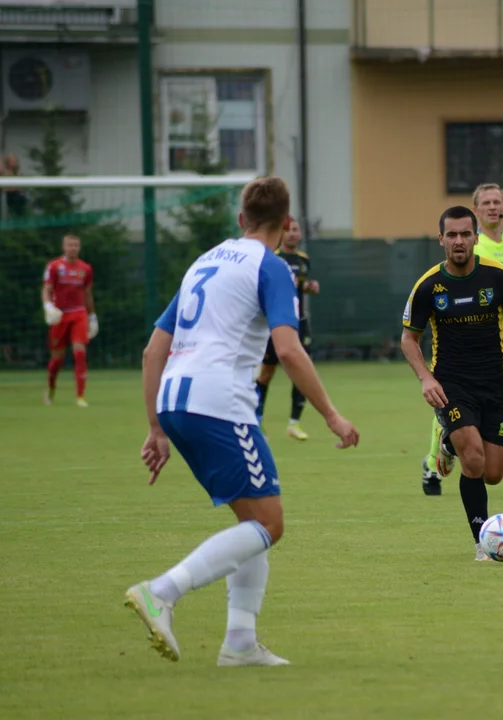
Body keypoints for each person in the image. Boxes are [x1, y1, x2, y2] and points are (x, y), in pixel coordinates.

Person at [126, 177, 359, 666]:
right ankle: (161, 592)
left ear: (241, 219)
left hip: (175, 398)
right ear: (285, 223)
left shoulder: (204, 261)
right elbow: (290, 349)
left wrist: (155, 428)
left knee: (252, 521)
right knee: (270, 525)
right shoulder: (270, 267)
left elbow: (153, 350)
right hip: (220, 401)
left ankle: (239, 642)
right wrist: (332, 416)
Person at [401, 205, 503, 561]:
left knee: (493, 473)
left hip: (495, 385)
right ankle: (482, 543)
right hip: (452, 385)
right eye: (452, 235)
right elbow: (408, 338)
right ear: (441, 240)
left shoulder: (499, 277)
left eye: (466, 234)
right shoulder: (428, 286)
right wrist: (425, 378)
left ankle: (447, 447)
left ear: (477, 238)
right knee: (475, 461)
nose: (459, 241)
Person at [420, 183, 503, 495]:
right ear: (475, 212)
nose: (492, 207)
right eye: (485, 202)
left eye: (497, 202)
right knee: (454, 400)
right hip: (467, 334)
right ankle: (435, 456)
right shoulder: (471, 245)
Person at [253, 218, 320, 440]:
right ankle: (257, 419)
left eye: (295, 230)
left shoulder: (304, 260)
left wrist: (309, 287)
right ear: (281, 234)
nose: (292, 234)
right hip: (277, 325)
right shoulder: (273, 258)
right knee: (266, 373)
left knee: (302, 370)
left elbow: (300, 287)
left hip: (299, 322)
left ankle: (294, 423)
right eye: (288, 230)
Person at [42, 234, 98, 407]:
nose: (73, 248)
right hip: (60, 315)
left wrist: (92, 316)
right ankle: (51, 389)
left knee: (79, 352)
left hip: (78, 313)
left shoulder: (85, 269)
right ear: (63, 247)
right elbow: (47, 289)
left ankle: (80, 396)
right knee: (57, 359)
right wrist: (48, 307)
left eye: (76, 245)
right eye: (70, 245)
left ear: (79, 247)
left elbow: (87, 294)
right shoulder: (54, 266)